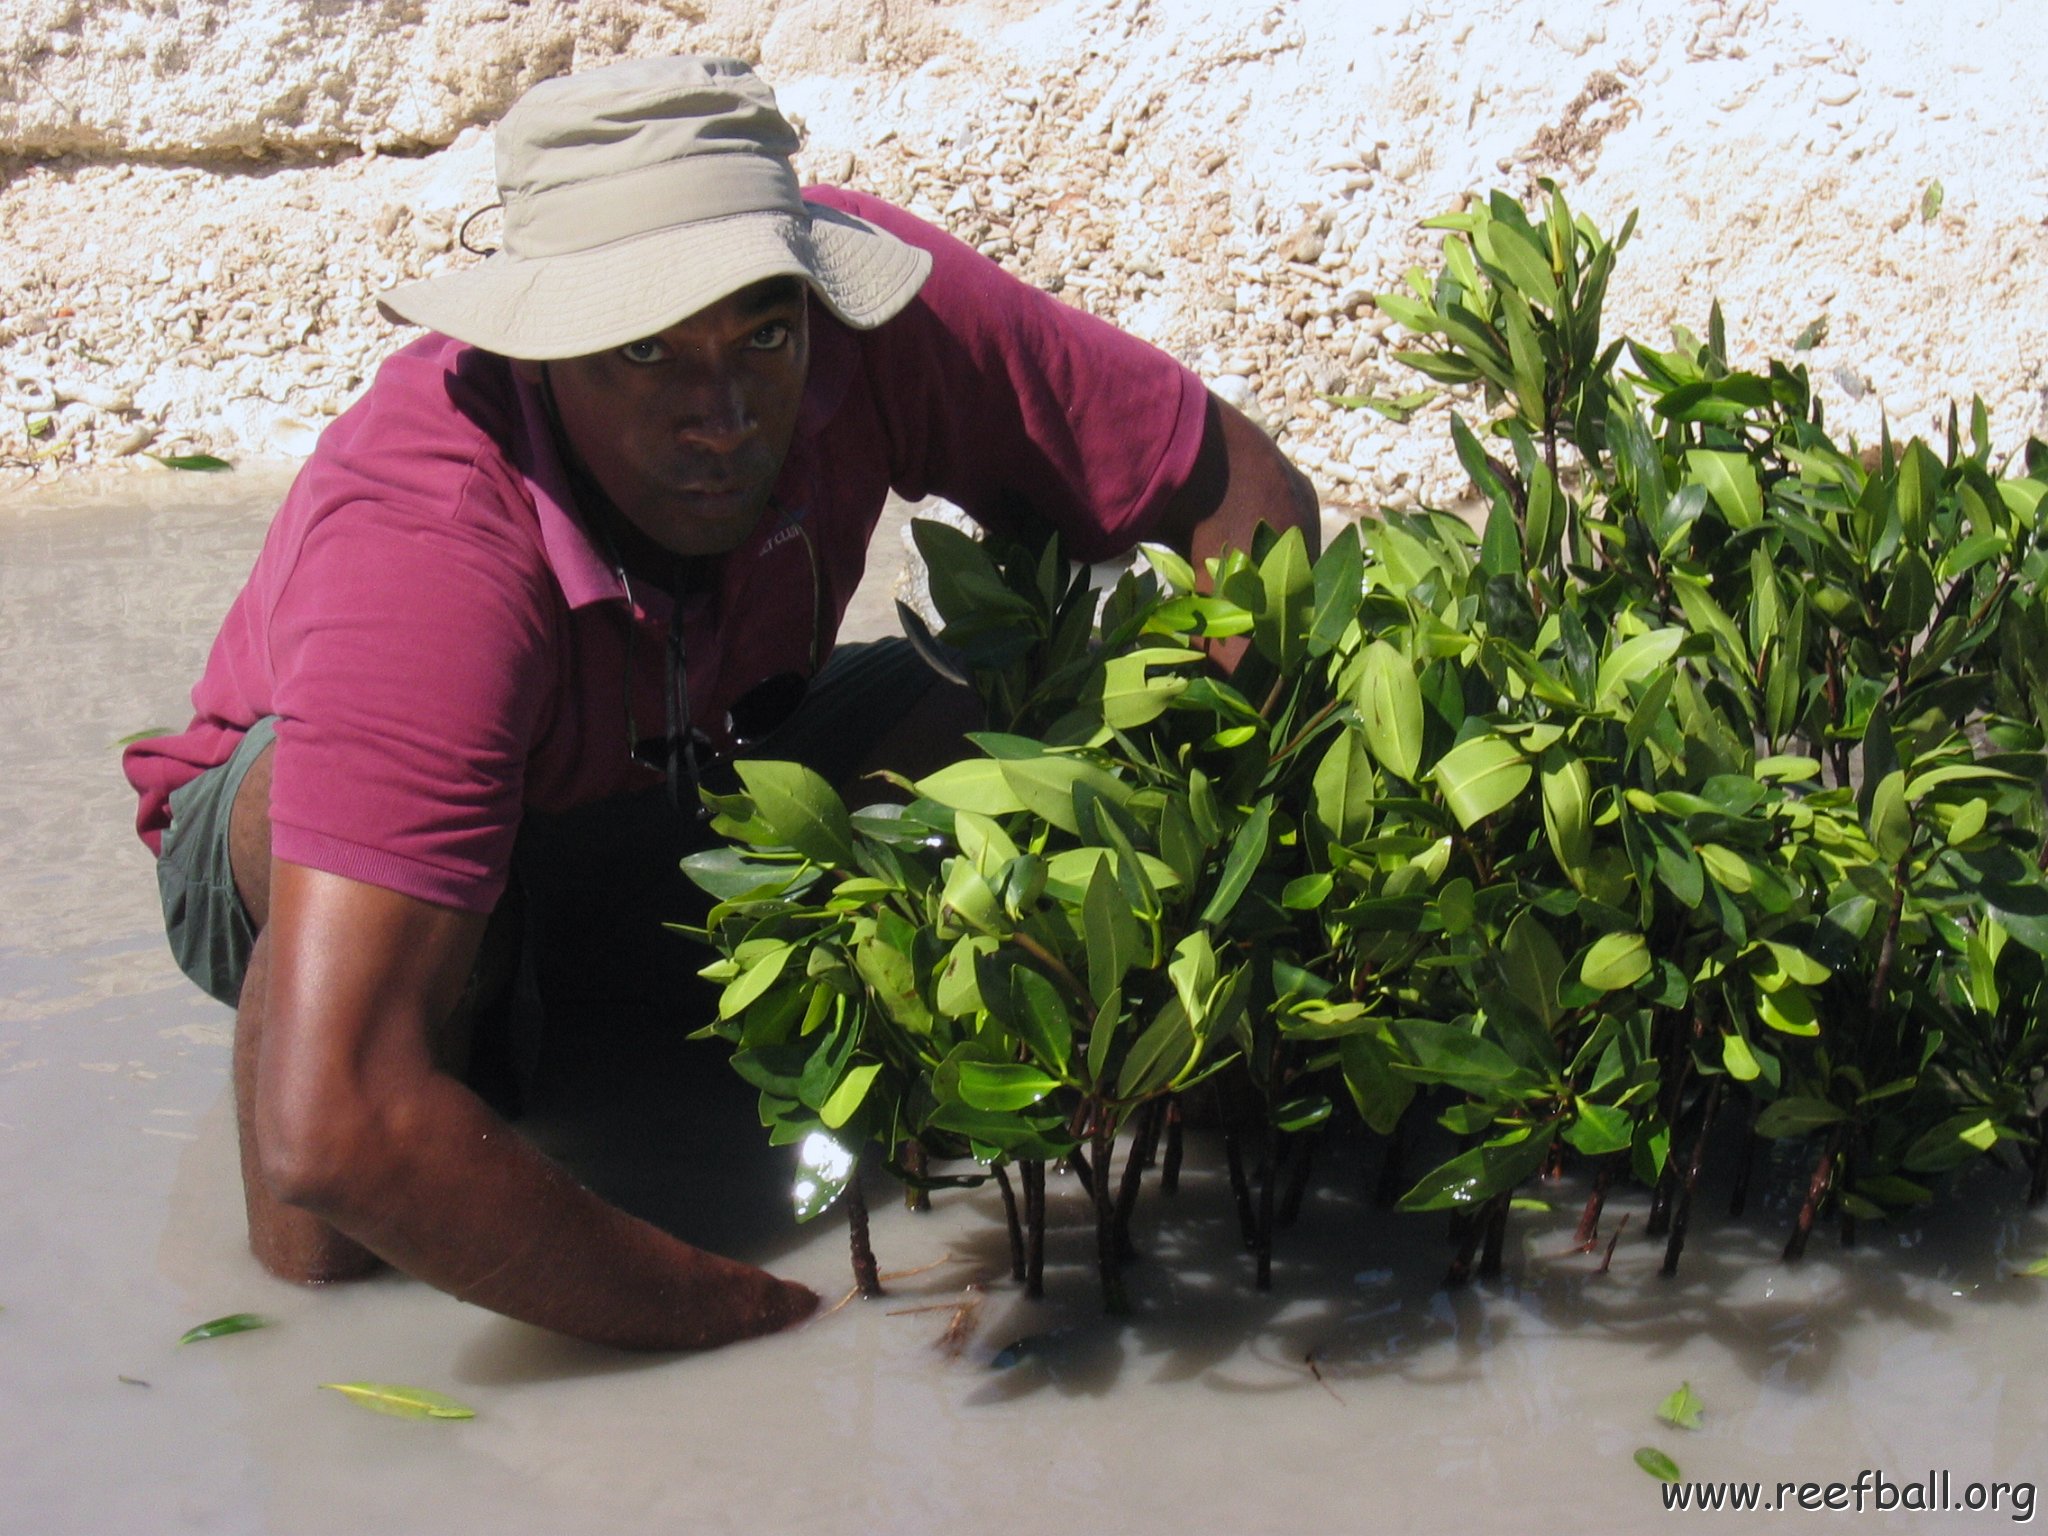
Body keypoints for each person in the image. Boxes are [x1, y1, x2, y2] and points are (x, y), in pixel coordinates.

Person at [123, 55, 1318, 1351]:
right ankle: (445, 1035)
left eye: (762, 333)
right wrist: (750, 1319)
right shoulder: (433, 529)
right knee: (336, 905)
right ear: (544, 351)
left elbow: (1238, 493)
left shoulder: (876, 316)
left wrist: (1251, 906)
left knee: (1056, 707)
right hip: (393, 867)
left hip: (694, 766)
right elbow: (333, 1137)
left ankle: (647, 1018)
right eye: (644, 349)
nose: (722, 413)